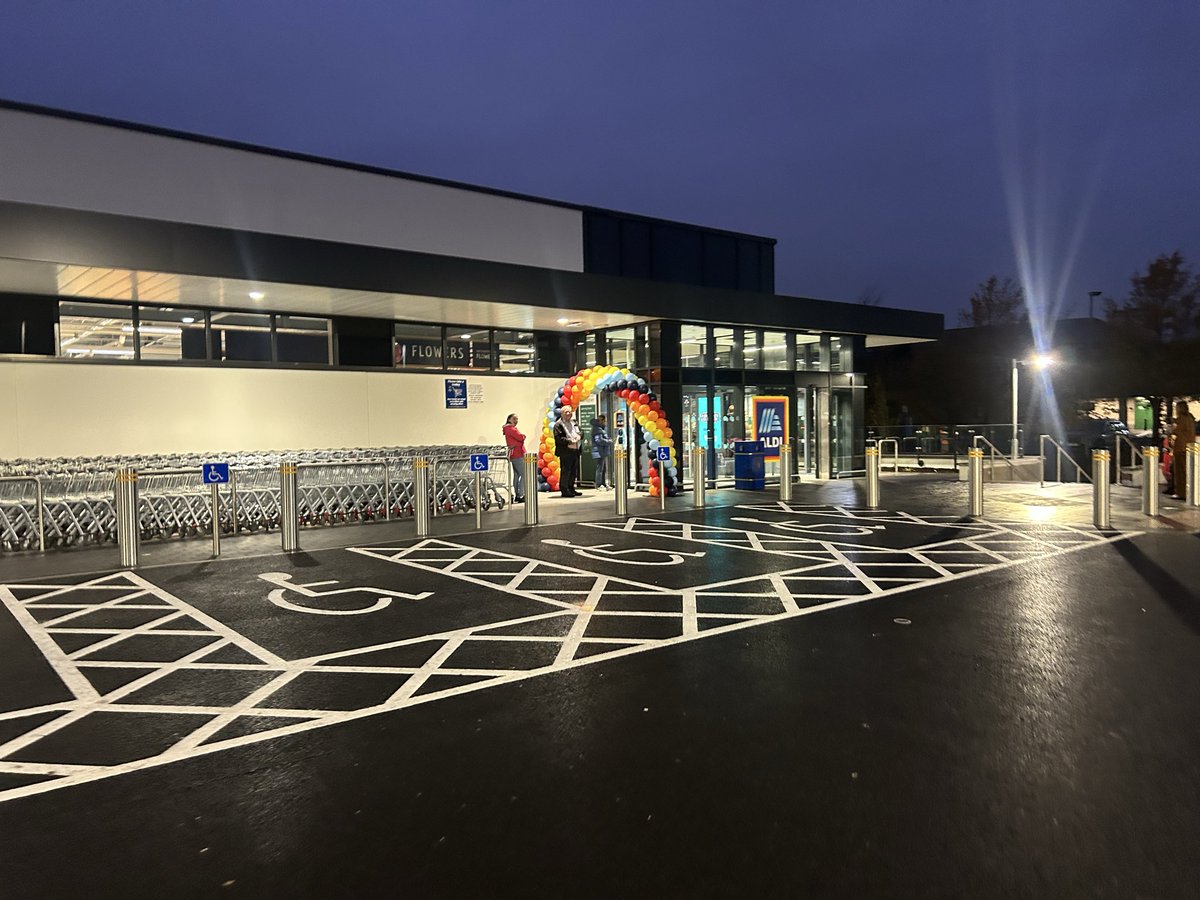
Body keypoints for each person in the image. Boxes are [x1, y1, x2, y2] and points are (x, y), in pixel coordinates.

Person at [553, 406, 583, 497]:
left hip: (575, 450)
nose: (568, 414)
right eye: (566, 412)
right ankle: (564, 489)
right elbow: (558, 438)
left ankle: (571, 488)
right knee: (566, 471)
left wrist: (579, 436)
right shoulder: (558, 425)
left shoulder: (574, 423)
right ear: (562, 414)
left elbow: (581, 432)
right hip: (565, 451)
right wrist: (570, 441)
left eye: (569, 412)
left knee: (573, 471)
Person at [1170, 400, 1196, 499]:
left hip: (1180, 447)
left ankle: (1181, 492)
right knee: (1187, 470)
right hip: (1189, 446)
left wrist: (1172, 426)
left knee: (1180, 472)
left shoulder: (1181, 418)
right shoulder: (1190, 418)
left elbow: (1175, 431)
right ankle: (1189, 491)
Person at [502, 413, 526, 503]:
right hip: (517, 454)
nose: (516, 421)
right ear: (509, 419)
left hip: (514, 454)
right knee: (523, 474)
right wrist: (523, 436)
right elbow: (520, 437)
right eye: (514, 419)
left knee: (517, 475)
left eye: (517, 419)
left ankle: (518, 494)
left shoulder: (508, 429)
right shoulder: (511, 429)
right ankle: (520, 494)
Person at [591, 414, 613, 489]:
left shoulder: (600, 428)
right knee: (600, 469)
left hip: (601, 451)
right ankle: (599, 484)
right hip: (599, 451)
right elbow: (599, 440)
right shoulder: (597, 429)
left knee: (603, 469)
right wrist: (609, 441)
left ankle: (603, 483)